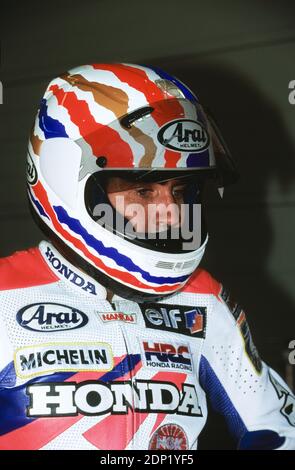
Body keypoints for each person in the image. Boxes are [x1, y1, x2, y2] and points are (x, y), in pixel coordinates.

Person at [0, 63, 294, 450]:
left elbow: (278, 431)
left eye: (179, 191)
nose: (172, 214)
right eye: (144, 192)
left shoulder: (201, 297)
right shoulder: (6, 296)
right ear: (65, 178)